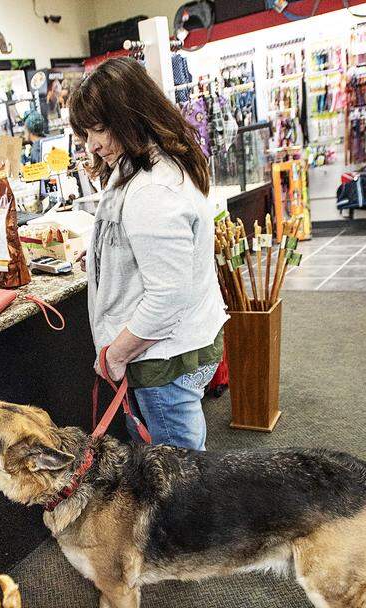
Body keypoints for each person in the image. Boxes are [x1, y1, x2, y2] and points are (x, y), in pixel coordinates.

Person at [68, 57, 226, 450]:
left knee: (177, 483)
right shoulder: (145, 168)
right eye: (86, 133)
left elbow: (168, 296)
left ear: (130, 116)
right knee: (176, 469)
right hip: (168, 353)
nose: (93, 144)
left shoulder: (152, 192)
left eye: (99, 129)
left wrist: (117, 354)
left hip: (163, 360)